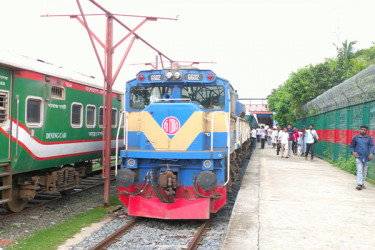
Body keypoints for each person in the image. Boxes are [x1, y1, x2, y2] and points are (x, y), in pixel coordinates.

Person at [349, 125, 374, 190]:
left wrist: (372, 153)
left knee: (364, 171)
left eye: (364, 130)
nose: (363, 131)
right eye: (362, 129)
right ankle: (359, 184)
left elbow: (372, 146)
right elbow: (351, 146)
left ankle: (362, 183)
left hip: (366, 157)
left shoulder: (369, 138)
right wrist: (353, 152)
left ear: (366, 131)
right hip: (358, 157)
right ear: (360, 130)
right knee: (359, 171)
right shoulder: (356, 138)